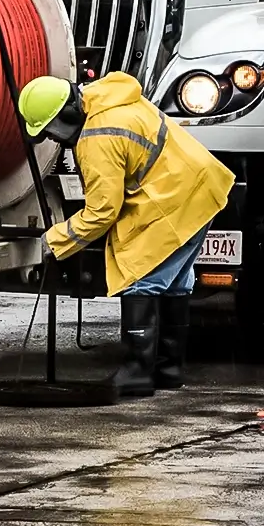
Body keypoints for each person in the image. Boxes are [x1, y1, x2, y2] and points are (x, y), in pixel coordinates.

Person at [20, 71, 235, 397]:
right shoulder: (112, 100)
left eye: (51, 131)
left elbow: (101, 213)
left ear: (64, 117)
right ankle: (168, 368)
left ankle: (137, 371)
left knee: (141, 279)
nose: (55, 139)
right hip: (201, 190)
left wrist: (53, 241)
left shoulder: (97, 137)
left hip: (174, 201)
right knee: (175, 282)